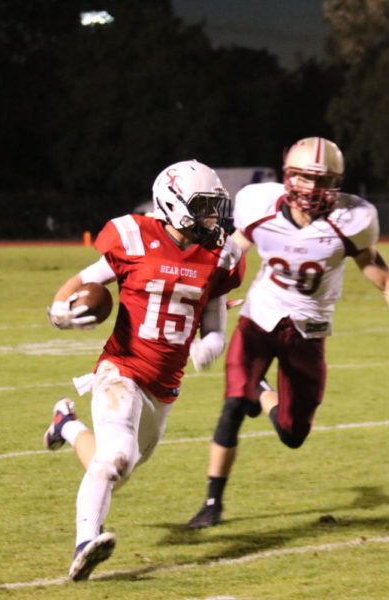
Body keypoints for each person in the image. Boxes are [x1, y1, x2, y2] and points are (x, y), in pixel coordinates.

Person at [185, 137, 389, 530]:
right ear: (288, 176)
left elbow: (386, 282)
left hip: (308, 331)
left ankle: (261, 390)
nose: (312, 188)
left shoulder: (351, 220)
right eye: (304, 177)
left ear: (337, 182)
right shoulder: (259, 204)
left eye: (323, 180)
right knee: (233, 405)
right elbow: (231, 253)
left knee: (292, 434)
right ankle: (212, 502)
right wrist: (206, 302)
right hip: (259, 318)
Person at [42, 160, 245, 580]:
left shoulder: (219, 254)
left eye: (214, 206)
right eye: (203, 206)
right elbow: (80, 282)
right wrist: (59, 312)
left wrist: (212, 341)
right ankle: (85, 542)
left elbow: (211, 315)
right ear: (172, 204)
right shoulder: (135, 237)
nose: (212, 216)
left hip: (164, 386)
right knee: (114, 458)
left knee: (118, 468)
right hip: (122, 369)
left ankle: (66, 425)